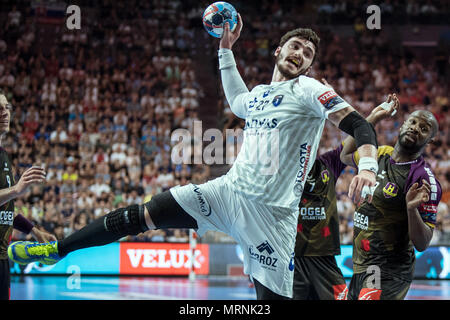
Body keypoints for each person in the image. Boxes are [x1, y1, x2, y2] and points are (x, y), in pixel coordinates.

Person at [8, 15, 379, 299]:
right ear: (278, 51)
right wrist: (225, 49)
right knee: (143, 214)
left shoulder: (308, 89)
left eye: (308, 53)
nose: (300, 54)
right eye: (295, 46)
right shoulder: (262, 93)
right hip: (228, 193)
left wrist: (367, 166)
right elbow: (237, 100)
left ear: (310, 66)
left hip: (273, 217)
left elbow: (360, 126)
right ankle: (56, 249)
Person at [293, 90, 398, 300]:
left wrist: (374, 118)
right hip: (292, 256)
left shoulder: (327, 163)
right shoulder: (282, 169)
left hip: (325, 257)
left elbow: (353, 141)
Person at [340, 96, 442, 300]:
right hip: (362, 263)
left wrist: (411, 209)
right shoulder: (380, 154)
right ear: (403, 124)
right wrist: (372, 118)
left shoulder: (423, 179)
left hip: (388, 270)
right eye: (413, 122)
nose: (415, 128)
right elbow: (345, 154)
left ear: (429, 141)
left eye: (423, 128)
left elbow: (422, 243)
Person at [0, 94, 56, 300]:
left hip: (2, 257)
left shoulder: (3, 155)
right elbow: (11, 195)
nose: (5, 113)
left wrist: (34, 232)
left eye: (7, 107)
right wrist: (16, 190)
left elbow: (5, 210)